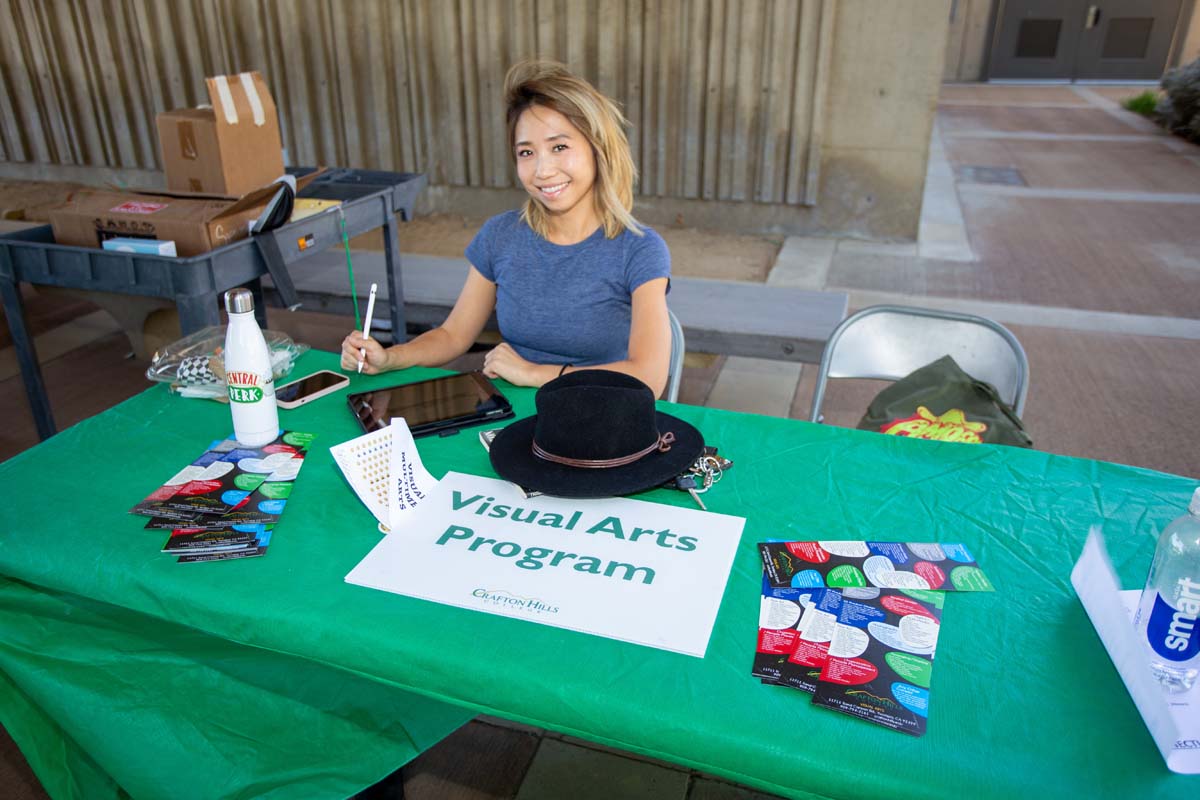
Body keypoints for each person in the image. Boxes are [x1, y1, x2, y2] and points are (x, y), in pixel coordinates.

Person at [340, 59, 672, 396]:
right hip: (513, 411)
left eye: (559, 147)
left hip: (601, 409)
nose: (542, 170)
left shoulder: (639, 249)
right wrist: (390, 357)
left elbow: (649, 377)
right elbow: (453, 335)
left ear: (598, 149)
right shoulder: (500, 235)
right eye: (526, 152)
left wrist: (535, 373)